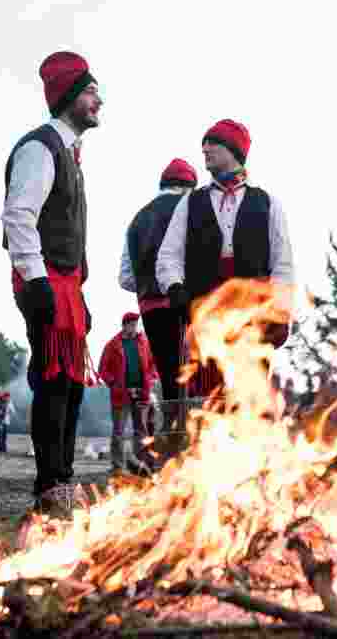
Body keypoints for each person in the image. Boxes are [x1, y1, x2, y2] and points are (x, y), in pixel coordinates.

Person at [1, 51, 101, 517]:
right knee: (53, 378)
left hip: (67, 282)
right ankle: (50, 484)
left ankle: (62, 477)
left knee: (71, 382)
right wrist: (37, 280)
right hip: (46, 280)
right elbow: (19, 216)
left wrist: (79, 292)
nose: (98, 100)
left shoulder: (69, 154)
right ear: (67, 97)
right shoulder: (39, 148)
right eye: (90, 91)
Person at [156, 119, 295, 396]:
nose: (205, 149)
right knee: (207, 399)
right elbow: (168, 255)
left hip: (253, 317)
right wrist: (174, 287)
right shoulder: (190, 202)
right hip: (206, 313)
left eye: (213, 143)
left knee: (248, 398)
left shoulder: (267, 202)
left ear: (234, 150)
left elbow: (282, 263)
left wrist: (280, 311)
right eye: (204, 144)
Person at [120, 158, 198, 458]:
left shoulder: (137, 219)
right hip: (184, 302)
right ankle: (190, 446)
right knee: (193, 376)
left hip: (150, 308)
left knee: (168, 379)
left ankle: (171, 447)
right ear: (189, 186)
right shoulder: (192, 208)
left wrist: (147, 285)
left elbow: (126, 278)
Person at [98, 313, 159, 473]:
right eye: (131, 324)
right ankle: (117, 467)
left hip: (142, 393)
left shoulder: (144, 342)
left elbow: (152, 364)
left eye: (135, 324)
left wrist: (151, 379)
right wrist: (114, 384)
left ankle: (140, 466)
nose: (134, 327)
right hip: (121, 394)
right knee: (119, 432)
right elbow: (103, 369)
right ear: (124, 325)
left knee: (141, 431)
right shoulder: (112, 345)